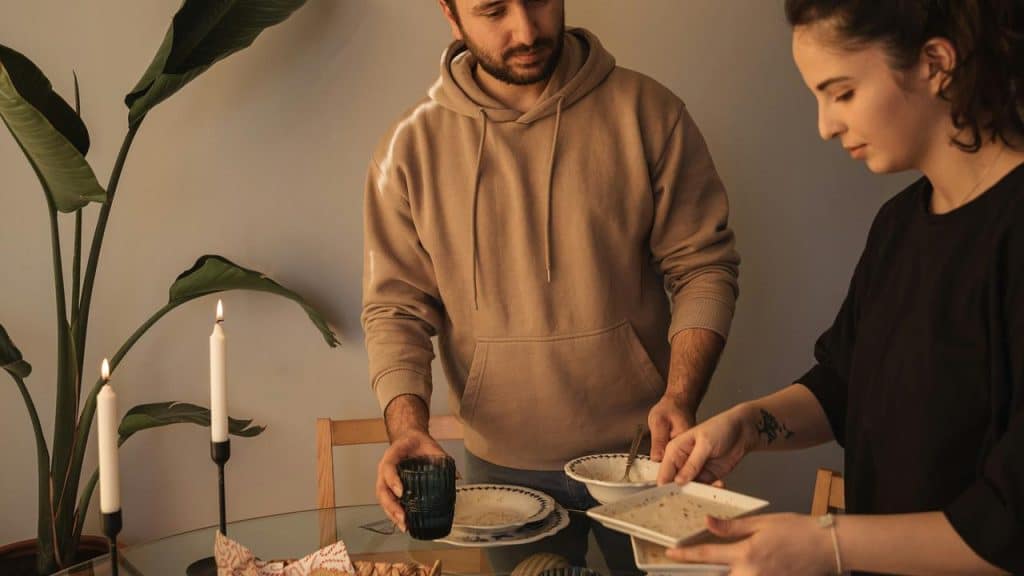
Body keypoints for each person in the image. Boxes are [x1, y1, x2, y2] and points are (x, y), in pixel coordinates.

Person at [361, 0, 739, 569]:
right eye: (493, 10)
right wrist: (408, 427)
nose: (527, 29)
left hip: (641, 456)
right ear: (450, 13)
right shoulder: (410, 146)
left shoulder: (649, 112)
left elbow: (704, 266)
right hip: (502, 467)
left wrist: (680, 396)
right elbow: (394, 309)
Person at [656, 1, 1024, 574]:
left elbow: (1009, 525)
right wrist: (746, 425)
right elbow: (843, 387)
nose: (826, 125)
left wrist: (825, 542)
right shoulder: (900, 224)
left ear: (935, 63)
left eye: (842, 93)